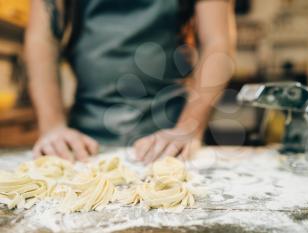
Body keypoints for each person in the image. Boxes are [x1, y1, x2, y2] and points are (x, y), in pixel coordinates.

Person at [25, 0, 236, 163]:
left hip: (171, 132)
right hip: (82, 139)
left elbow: (216, 42)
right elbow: (43, 38)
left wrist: (189, 126)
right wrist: (52, 126)